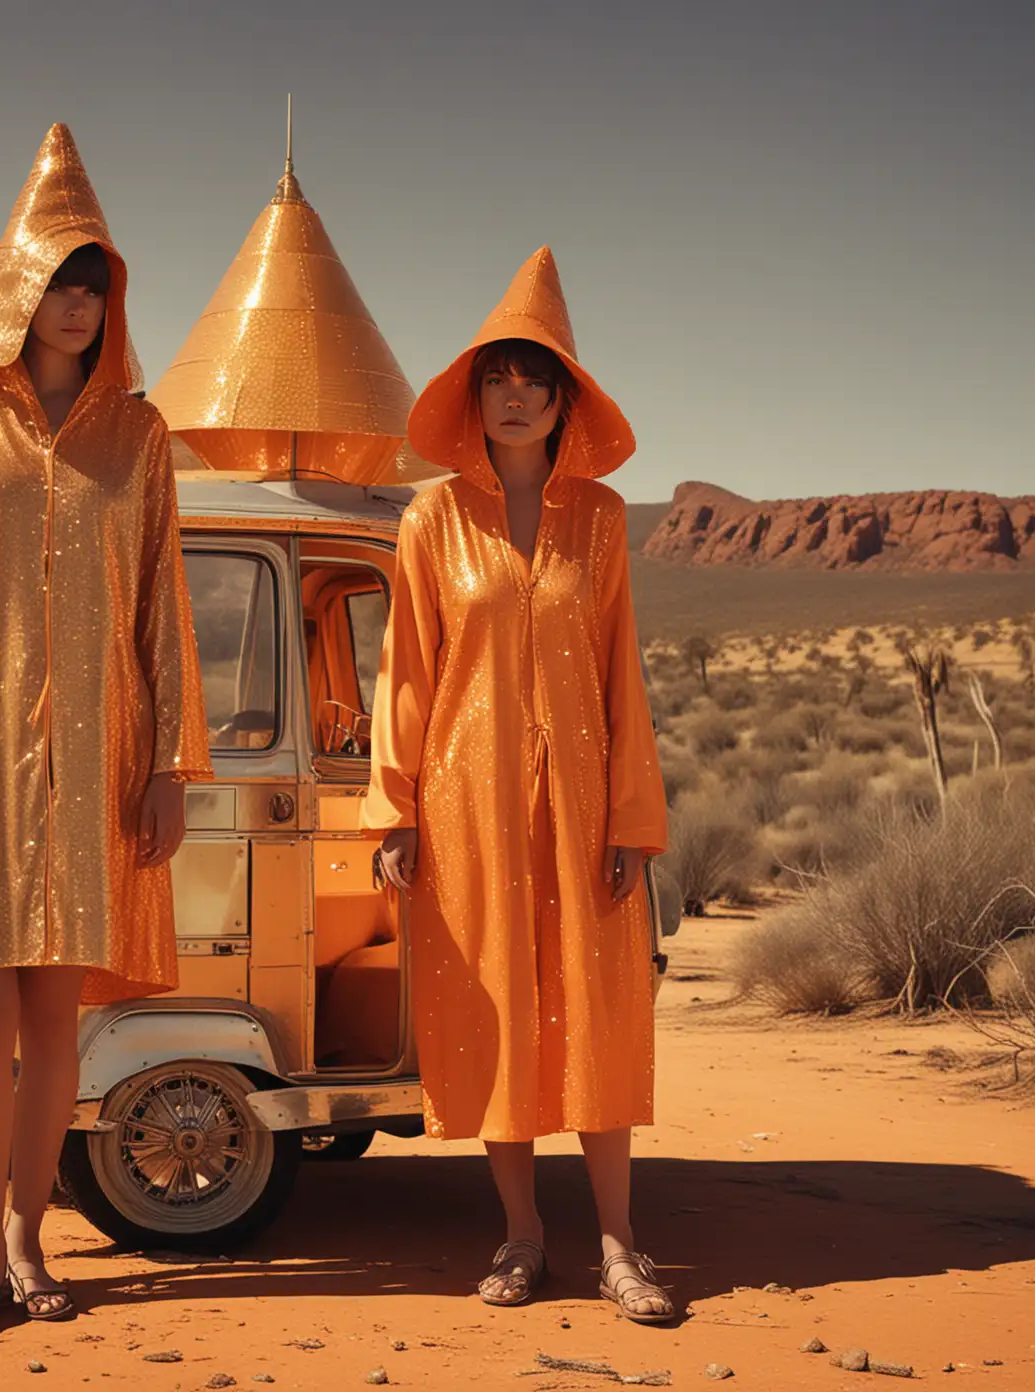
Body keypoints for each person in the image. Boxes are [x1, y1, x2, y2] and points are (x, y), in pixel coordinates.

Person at [0, 123, 212, 1337]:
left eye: (97, 284)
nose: (78, 303)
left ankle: (29, 1239)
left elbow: (166, 608)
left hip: (102, 757)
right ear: (21, 290)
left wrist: (172, 762)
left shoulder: (143, 436)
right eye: (61, 280)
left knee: (59, 1014)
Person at [363, 247, 674, 1323]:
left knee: (594, 1008)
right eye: (498, 376)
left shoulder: (601, 520)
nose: (515, 395)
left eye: (535, 379)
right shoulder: (431, 520)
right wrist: (394, 807)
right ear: (475, 395)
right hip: (469, 803)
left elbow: (618, 668)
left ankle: (622, 1248)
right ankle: (523, 1235)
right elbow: (406, 670)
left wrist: (633, 815)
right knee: (494, 1010)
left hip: (586, 802)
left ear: (563, 401)